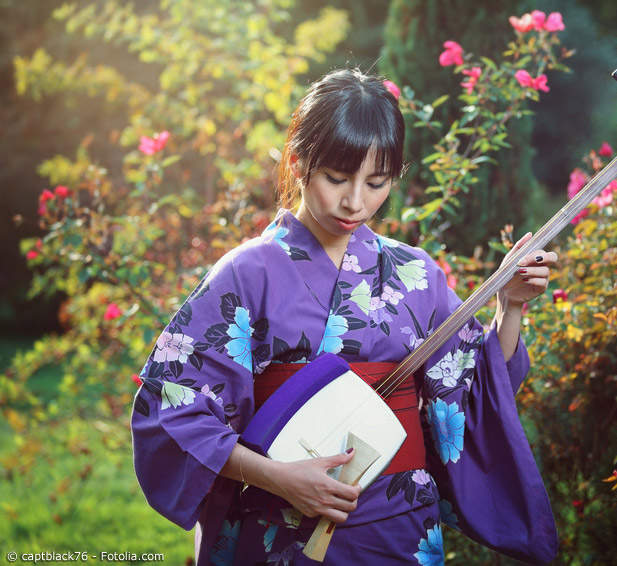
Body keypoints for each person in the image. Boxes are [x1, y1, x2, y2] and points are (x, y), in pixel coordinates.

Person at [132, 68, 558, 565]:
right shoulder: (247, 273)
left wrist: (511, 306)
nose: (355, 201)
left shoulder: (414, 273)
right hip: (277, 518)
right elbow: (173, 405)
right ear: (298, 161)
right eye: (337, 178)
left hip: (399, 524)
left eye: (376, 183)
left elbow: (474, 385)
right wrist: (276, 477)